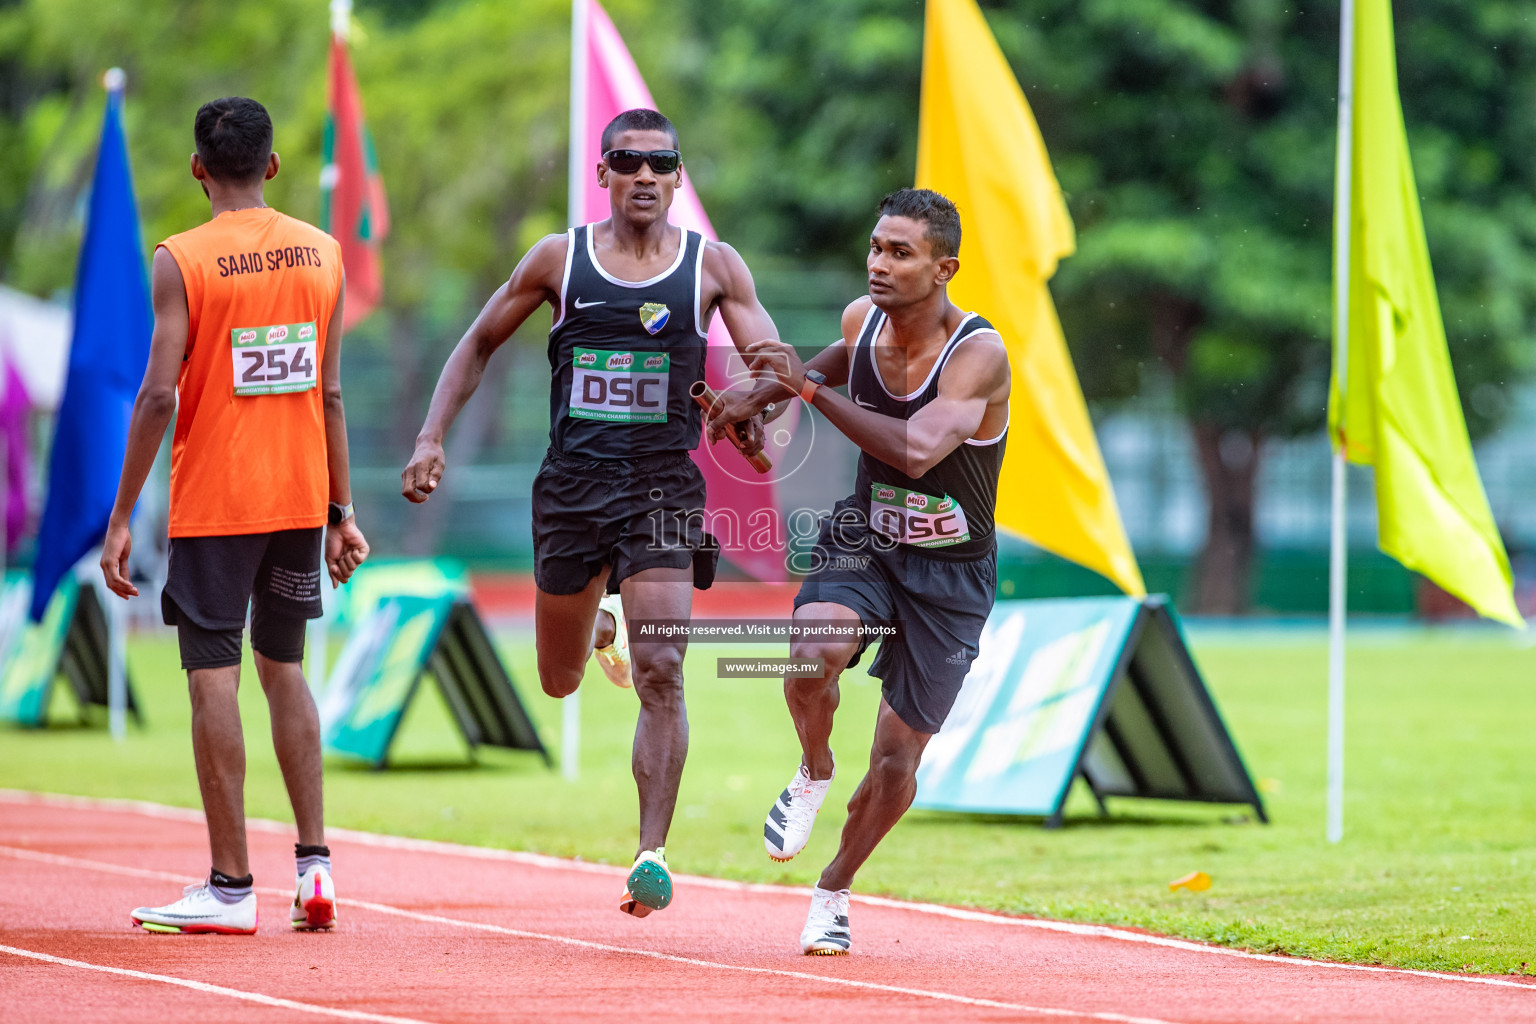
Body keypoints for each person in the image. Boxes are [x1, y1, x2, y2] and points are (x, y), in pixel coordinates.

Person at [400, 108, 779, 918]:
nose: (644, 175)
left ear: (679, 178)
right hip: (573, 485)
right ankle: (594, 623)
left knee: (664, 670)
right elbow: (475, 344)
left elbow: (771, 364)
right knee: (559, 678)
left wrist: (757, 412)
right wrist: (431, 437)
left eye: (661, 162)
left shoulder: (715, 268)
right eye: (628, 162)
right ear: (602, 174)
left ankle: (651, 854)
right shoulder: (557, 260)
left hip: (661, 489)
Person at [710, 188, 1009, 954]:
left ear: (944, 269)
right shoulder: (859, 319)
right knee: (813, 649)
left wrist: (804, 389)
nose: (879, 263)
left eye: (900, 252)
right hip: (866, 538)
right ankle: (813, 769)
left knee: (896, 759)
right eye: (876, 247)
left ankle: (834, 888)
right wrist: (761, 396)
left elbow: (914, 450)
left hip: (951, 572)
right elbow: (842, 360)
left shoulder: (978, 354)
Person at [101, 96, 369, 935]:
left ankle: (229, 885)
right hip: (298, 497)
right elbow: (328, 392)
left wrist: (120, 515)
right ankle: (315, 869)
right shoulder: (324, 253)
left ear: (197, 169)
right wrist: (341, 511)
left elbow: (156, 394)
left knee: (212, 677)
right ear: (274, 165)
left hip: (218, 504)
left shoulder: (181, 258)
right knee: (284, 668)